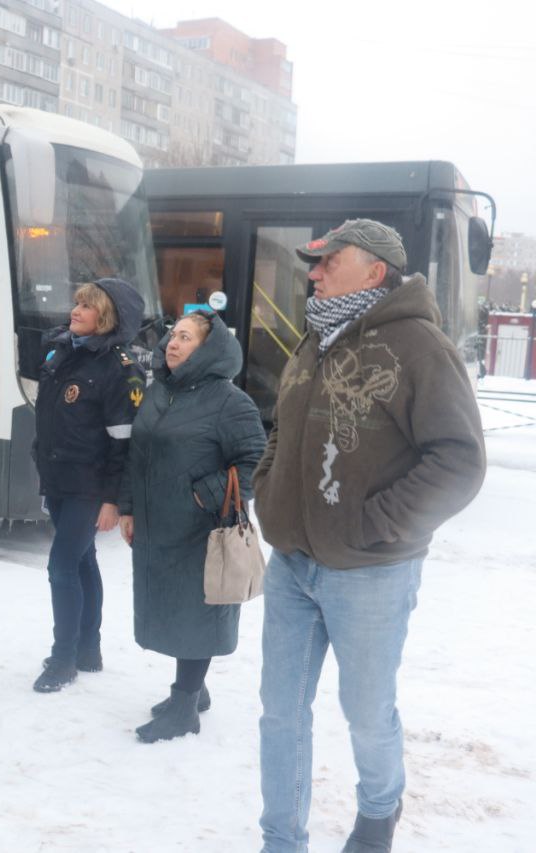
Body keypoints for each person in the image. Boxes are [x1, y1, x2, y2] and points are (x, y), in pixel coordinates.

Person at [253, 220, 487, 852]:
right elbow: (281, 426)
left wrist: (378, 524)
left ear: (375, 270)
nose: (314, 271)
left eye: (330, 261)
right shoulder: (313, 339)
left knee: (365, 713)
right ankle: (281, 839)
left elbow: (459, 460)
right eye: (315, 262)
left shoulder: (419, 347)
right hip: (293, 566)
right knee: (280, 713)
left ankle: (380, 809)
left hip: (372, 572)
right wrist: (268, 487)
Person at [117, 310, 265, 742]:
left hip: (201, 530)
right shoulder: (160, 391)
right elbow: (136, 454)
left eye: (185, 337)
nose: (172, 344)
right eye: (172, 336)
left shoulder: (229, 401)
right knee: (170, 609)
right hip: (157, 525)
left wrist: (205, 495)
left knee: (196, 613)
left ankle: (184, 707)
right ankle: (192, 692)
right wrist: (129, 507)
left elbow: (257, 462)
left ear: (208, 349)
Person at [31, 278, 145, 693]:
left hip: (89, 485)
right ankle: (88, 648)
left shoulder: (120, 368)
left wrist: (113, 500)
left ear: (107, 317)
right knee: (82, 560)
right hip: (59, 477)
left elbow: (125, 444)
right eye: (76, 303)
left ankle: (63, 660)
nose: (75, 311)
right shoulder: (64, 351)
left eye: (87, 306)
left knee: (62, 565)